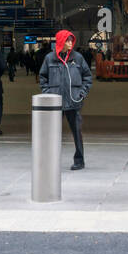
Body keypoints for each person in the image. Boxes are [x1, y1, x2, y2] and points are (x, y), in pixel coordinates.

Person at [38, 29, 93, 171]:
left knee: (77, 131)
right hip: (55, 102)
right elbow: (42, 77)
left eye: (71, 40)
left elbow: (87, 76)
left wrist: (82, 92)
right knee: (51, 133)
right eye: (67, 40)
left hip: (73, 101)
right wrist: (48, 92)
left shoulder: (78, 58)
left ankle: (79, 160)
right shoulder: (50, 58)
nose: (70, 43)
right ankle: (50, 161)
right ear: (61, 41)